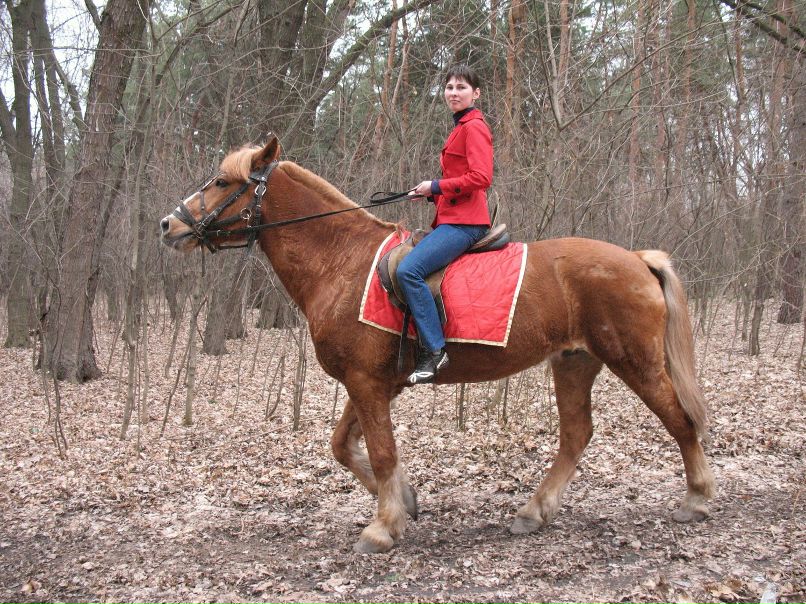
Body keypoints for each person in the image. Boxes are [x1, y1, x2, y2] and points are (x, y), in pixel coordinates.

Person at [397, 64, 494, 385]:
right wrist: (428, 193)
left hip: (466, 224)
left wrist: (436, 186)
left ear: (476, 94)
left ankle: (435, 350)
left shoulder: (474, 127)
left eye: (461, 87)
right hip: (453, 218)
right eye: (450, 87)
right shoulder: (460, 126)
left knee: (408, 271)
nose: (454, 92)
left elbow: (481, 177)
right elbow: (459, 181)